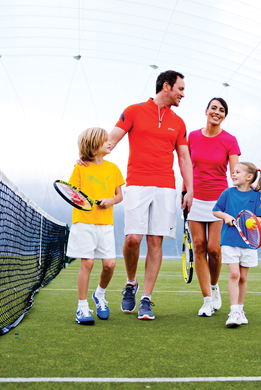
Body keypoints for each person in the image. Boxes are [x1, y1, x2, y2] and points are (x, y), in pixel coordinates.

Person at [107, 70, 193, 320]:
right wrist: (90, 156)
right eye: (180, 89)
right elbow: (111, 140)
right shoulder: (133, 111)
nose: (182, 94)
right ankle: (131, 283)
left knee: (155, 241)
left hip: (166, 187)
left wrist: (189, 189)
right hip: (137, 183)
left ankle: (146, 298)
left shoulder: (178, 122)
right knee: (133, 238)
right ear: (166, 87)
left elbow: (185, 158)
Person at [184, 97, 240, 317]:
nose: (217, 112)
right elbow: (187, 166)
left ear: (224, 116)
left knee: (213, 249)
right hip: (195, 199)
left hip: (219, 202)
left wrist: (238, 200)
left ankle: (215, 287)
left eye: (222, 110)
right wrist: (184, 193)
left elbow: (235, 175)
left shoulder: (230, 140)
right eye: (214, 108)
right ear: (206, 110)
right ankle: (207, 299)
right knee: (199, 246)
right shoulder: (193, 137)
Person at [67, 127, 125, 325]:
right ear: (93, 145)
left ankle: (99, 295)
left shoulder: (113, 168)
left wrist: (110, 200)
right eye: (105, 140)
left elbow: (119, 196)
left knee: (110, 264)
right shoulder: (80, 168)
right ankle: (82, 308)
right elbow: (72, 193)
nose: (110, 143)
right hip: (83, 223)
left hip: (105, 224)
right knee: (88, 263)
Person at [212, 162, 261, 327]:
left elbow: (259, 216)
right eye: (233, 172)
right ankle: (234, 311)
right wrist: (225, 217)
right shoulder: (227, 193)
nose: (233, 174)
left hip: (249, 243)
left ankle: (240, 310)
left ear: (249, 177)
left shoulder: (257, 195)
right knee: (234, 275)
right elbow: (216, 210)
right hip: (229, 241)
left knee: (243, 277)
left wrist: (254, 222)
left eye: (237, 172)